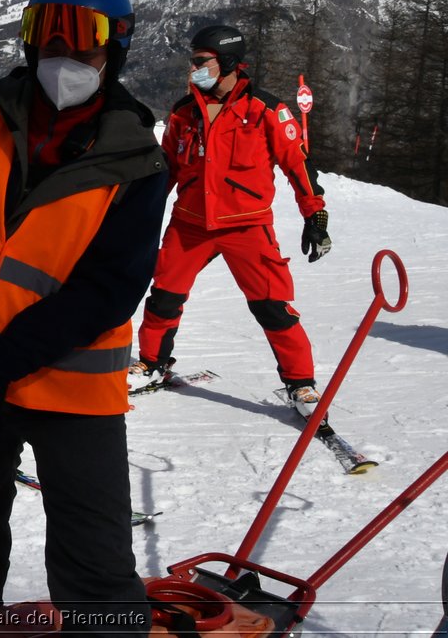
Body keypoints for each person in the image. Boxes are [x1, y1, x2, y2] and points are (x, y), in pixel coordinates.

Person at [0, 0, 167, 636]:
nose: (61, 52)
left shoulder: (135, 158)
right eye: (44, 31)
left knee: (94, 562)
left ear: (117, 49)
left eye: (84, 38)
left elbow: (108, 289)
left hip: (72, 388)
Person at [131, 24, 331, 417]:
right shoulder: (183, 112)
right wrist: (141, 210)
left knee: (273, 306)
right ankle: (152, 364)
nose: (194, 69)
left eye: (201, 61)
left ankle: (301, 384)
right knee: (164, 297)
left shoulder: (266, 110)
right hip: (190, 224)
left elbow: (298, 164)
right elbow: (166, 167)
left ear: (226, 62)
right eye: (193, 62)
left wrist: (316, 214)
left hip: (247, 225)